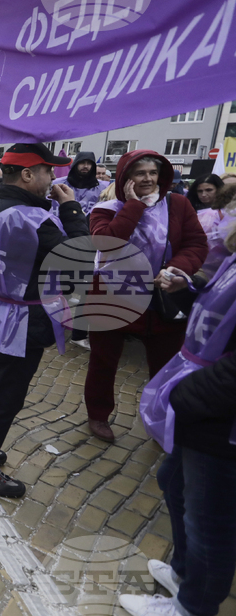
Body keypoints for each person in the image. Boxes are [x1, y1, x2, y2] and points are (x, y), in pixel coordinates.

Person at [0, 143, 89, 498]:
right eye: (49, 171)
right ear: (29, 174)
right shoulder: (34, 218)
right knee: (5, 396)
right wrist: (72, 209)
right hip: (19, 319)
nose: (53, 179)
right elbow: (80, 260)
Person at [123, 223, 236, 616]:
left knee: (210, 521)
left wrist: (187, 395)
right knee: (173, 482)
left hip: (221, 415)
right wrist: (187, 291)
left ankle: (192, 607)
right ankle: (185, 573)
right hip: (207, 404)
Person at [84, 150, 208, 442]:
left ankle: (162, 419)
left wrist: (177, 269)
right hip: (112, 295)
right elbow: (108, 243)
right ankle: (98, 414)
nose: (148, 179)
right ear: (125, 178)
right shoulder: (106, 209)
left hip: (162, 297)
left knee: (166, 366)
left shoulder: (177, 204)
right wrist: (134, 206)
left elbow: (196, 244)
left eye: (153, 173)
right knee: (103, 362)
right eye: (140, 173)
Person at [52, 151, 111, 350]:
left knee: (84, 285)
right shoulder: (59, 183)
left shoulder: (103, 187)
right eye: (82, 163)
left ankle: (77, 325)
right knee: (57, 282)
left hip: (88, 241)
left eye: (89, 163)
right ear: (75, 164)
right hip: (60, 238)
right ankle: (59, 316)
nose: (85, 166)